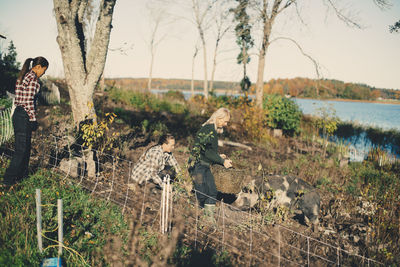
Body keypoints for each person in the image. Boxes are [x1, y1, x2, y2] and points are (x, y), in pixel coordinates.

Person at [3, 57, 49, 186]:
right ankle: (8, 180)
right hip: (24, 116)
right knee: (22, 150)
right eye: (44, 70)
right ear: (38, 67)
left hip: (18, 114)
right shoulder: (33, 80)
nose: (44, 73)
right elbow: (28, 101)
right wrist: (33, 119)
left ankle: (20, 177)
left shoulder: (23, 76)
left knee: (24, 148)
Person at [189, 107, 232, 223]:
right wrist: (222, 162)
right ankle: (197, 217)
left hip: (205, 165)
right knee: (201, 192)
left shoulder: (211, 129)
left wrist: (218, 156)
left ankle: (209, 219)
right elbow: (207, 152)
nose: (226, 124)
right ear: (219, 118)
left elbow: (208, 150)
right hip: (198, 165)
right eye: (225, 121)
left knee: (212, 191)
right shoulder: (209, 130)